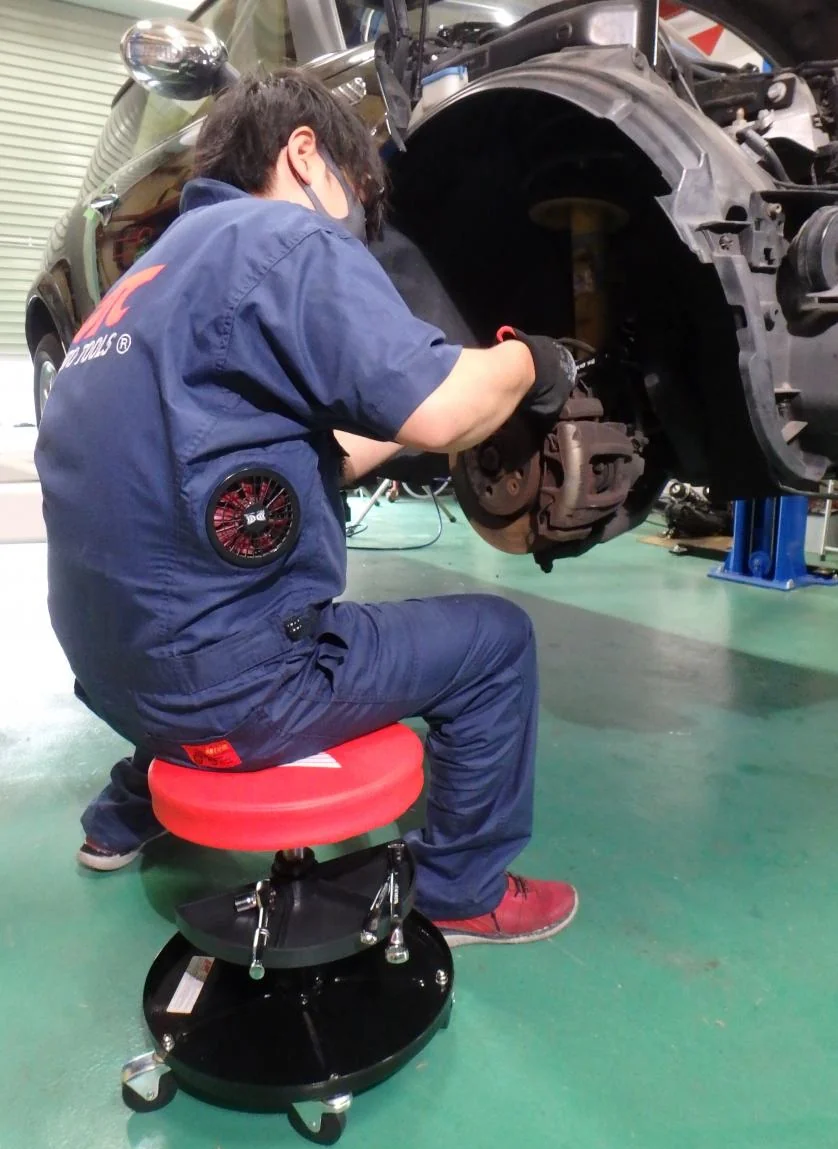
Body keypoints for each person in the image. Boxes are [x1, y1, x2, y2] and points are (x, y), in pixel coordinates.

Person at [35, 71, 580, 948]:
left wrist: (405, 428)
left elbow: (256, 456)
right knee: (496, 643)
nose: (358, 230)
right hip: (229, 694)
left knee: (176, 603)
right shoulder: (284, 236)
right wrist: (534, 363)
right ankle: (462, 891)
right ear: (304, 155)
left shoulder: (144, 282)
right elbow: (447, 409)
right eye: (358, 200)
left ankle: (119, 820)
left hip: (106, 677)